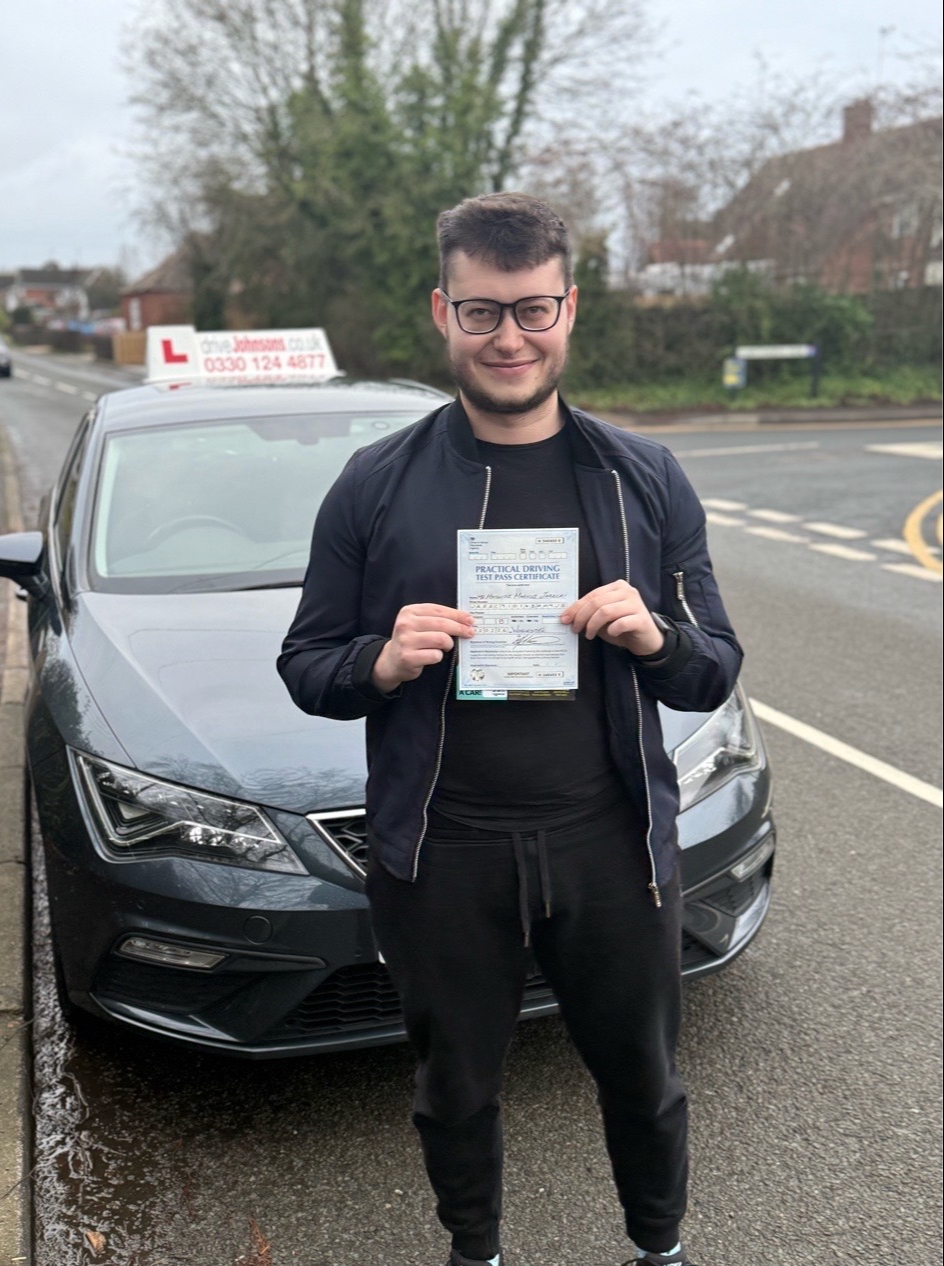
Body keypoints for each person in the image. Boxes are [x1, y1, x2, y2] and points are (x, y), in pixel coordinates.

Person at [278, 192, 742, 1266]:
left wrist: (655, 637)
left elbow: (713, 665)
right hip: (442, 853)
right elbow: (306, 666)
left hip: (610, 845)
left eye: (531, 309)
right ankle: (474, 1251)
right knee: (454, 1089)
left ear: (568, 308)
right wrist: (379, 660)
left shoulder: (642, 477)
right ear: (441, 311)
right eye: (480, 311)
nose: (508, 338)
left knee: (644, 1079)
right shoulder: (374, 483)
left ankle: (658, 1248)